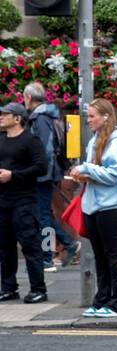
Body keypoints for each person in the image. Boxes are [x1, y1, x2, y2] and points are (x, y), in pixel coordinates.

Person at [70, 98, 117, 317]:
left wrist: (87, 168)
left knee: (113, 255)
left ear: (105, 117)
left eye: (92, 116)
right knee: (100, 256)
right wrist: (85, 176)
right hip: (93, 206)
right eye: (88, 116)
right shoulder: (95, 140)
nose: (89, 120)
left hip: (112, 206)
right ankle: (101, 299)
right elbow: (99, 173)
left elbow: (114, 175)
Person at [23, 82, 77, 272]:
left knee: (42, 215)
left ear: (28, 98)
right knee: (42, 213)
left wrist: (36, 169)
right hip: (47, 173)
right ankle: (68, 243)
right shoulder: (47, 116)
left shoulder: (39, 118)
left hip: (42, 175)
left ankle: (47, 257)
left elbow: (44, 148)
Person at [0, 101, 49, 303]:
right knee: (4, 248)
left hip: (24, 202)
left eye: (5, 114)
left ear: (18, 118)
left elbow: (41, 168)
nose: (1, 117)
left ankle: (39, 289)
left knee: (30, 246)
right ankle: (9, 287)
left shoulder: (30, 140)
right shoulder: (1, 140)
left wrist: (14, 175)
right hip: (3, 202)